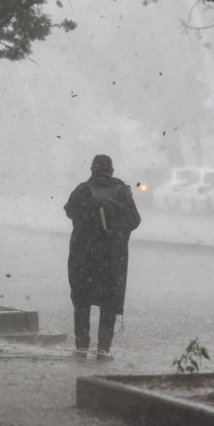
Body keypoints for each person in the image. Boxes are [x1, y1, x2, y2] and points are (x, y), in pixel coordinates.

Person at [64, 154, 141, 361]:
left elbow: (69, 212)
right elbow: (135, 221)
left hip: (83, 256)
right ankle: (103, 349)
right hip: (112, 258)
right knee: (109, 301)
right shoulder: (122, 192)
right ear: (112, 171)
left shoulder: (82, 190)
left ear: (92, 169)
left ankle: (81, 346)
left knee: (82, 300)